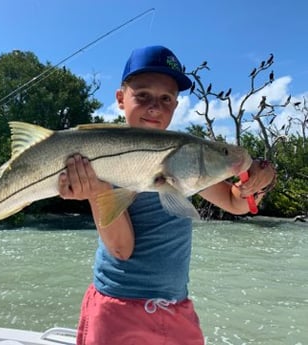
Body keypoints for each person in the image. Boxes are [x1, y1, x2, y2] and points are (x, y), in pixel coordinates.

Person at [58, 46, 277, 345]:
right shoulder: (98, 160)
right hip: (117, 308)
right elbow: (121, 250)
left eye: (165, 99)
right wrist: (98, 190)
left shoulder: (184, 158)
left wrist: (261, 178)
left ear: (175, 105)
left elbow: (234, 203)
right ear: (121, 99)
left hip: (175, 307)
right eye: (143, 95)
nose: (155, 107)